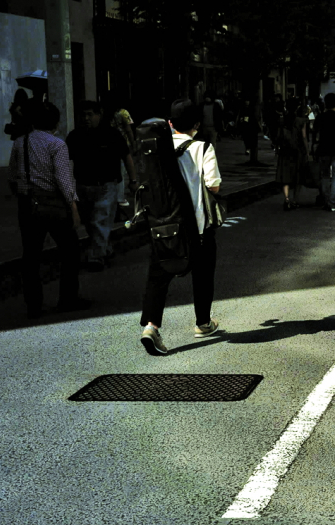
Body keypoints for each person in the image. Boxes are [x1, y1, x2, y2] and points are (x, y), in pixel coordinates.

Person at [139, 101, 222, 355]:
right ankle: (203, 323)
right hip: (197, 227)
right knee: (203, 272)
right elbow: (214, 185)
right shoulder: (203, 147)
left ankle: (151, 327)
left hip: (164, 225)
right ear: (197, 125)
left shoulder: (156, 149)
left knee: (158, 276)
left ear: (171, 123)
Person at [8, 101, 87, 318]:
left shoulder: (20, 143)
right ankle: (68, 299)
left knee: (31, 256)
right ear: (56, 122)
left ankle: (34, 304)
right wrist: (73, 206)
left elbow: (12, 177)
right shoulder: (57, 145)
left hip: (27, 204)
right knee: (70, 251)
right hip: (53, 204)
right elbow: (63, 179)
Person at [66, 100, 137, 271]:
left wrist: (133, 181)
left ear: (99, 115)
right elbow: (66, 161)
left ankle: (96, 257)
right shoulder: (75, 136)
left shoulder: (112, 135)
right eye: (83, 115)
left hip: (106, 185)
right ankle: (104, 248)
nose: (86, 118)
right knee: (91, 222)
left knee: (100, 220)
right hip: (83, 186)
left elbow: (126, 157)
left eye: (90, 114)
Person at [313, 92, 335, 212]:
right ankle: (332, 202)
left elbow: (316, 135)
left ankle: (326, 200)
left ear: (325, 104)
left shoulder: (320, 117)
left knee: (325, 176)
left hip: (323, 150)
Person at [275, 107, 305, 210]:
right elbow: (304, 137)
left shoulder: (282, 121)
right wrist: (307, 150)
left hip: (284, 152)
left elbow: (278, 136)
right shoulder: (301, 121)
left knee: (285, 177)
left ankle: (286, 199)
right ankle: (295, 200)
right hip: (296, 152)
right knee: (297, 176)